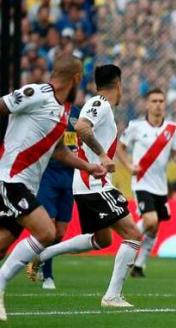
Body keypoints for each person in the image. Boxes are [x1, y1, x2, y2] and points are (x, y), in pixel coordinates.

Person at [0, 53, 106, 321]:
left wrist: (87, 166)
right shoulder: (37, 92)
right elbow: (2, 105)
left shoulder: (64, 110)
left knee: (3, 245)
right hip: (10, 179)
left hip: (26, 185)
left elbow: (58, 151)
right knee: (47, 231)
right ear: (77, 78)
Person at [26, 64, 143, 308]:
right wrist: (102, 155)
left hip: (87, 184)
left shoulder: (100, 105)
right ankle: (112, 296)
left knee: (103, 240)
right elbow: (81, 127)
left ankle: (44, 254)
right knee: (133, 234)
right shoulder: (100, 103)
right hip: (94, 184)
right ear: (118, 84)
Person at [116, 88, 176, 278]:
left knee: (154, 227)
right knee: (150, 220)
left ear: (165, 104)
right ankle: (127, 242)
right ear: (147, 104)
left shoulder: (173, 128)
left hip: (161, 186)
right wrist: (129, 165)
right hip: (141, 182)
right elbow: (119, 147)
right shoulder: (135, 127)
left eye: (161, 101)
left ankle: (139, 266)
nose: (157, 104)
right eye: (154, 101)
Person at [36, 103, 81, 290]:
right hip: (49, 175)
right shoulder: (48, 109)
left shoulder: (79, 113)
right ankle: (48, 276)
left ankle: (40, 258)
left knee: (60, 232)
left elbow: (83, 138)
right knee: (49, 228)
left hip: (70, 176)